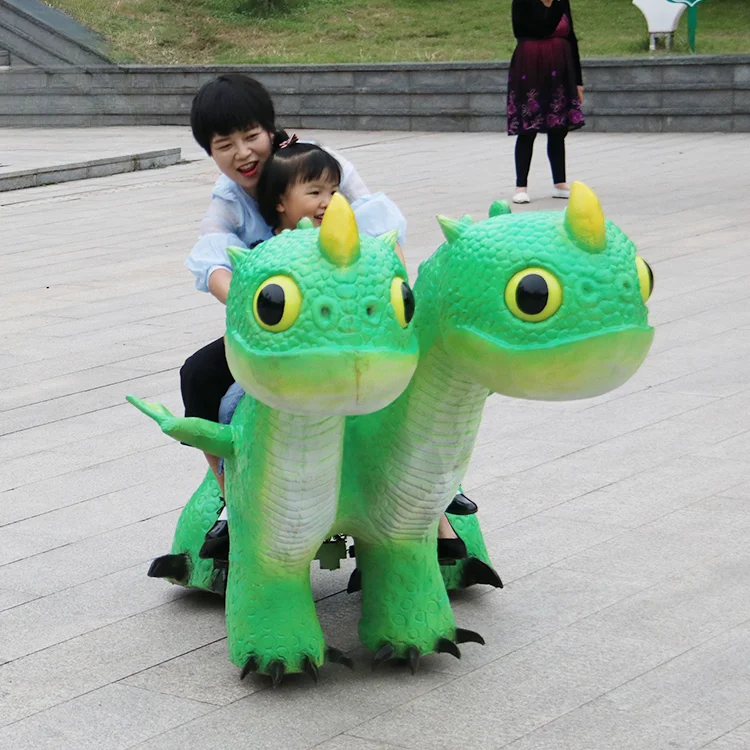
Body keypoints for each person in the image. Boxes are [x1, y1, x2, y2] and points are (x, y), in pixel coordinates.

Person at [181, 74, 471, 562]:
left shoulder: (318, 167)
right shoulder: (229, 197)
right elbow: (212, 258)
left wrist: (388, 287)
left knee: (403, 380)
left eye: (250, 136)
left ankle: (438, 500)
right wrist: (257, 307)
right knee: (199, 376)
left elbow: (382, 232)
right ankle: (235, 500)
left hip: (359, 316)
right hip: (286, 327)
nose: (242, 153)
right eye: (223, 145)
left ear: (269, 130)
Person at [507, 0, 585, 204]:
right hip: (530, 68)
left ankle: (560, 182)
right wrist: (553, 7)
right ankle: (521, 186)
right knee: (528, 127)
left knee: (559, 127)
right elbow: (540, 28)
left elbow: (571, 38)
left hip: (561, 71)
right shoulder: (522, 2)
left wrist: (578, 80)